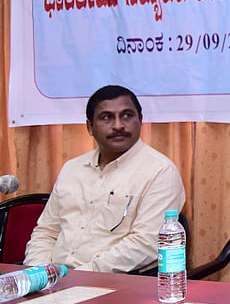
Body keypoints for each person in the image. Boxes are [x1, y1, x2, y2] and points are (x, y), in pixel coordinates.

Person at [24, 85, 186, 272]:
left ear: (140, 120)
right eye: (106, 117)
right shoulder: (72, 169)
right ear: (90, 127)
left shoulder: (160, 171)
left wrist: (78, 277)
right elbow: (47, 231)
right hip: (53, 282)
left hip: (114, 285)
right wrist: (38, 274)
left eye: (127, 115)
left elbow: (146, 243)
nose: (118, 125)